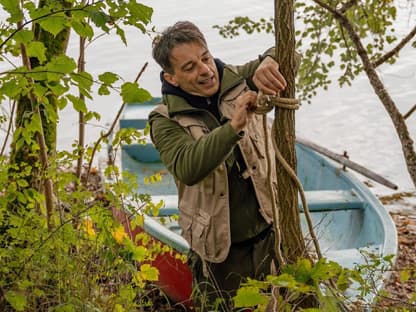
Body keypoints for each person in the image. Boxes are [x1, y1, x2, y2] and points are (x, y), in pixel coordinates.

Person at [149, 21, 287, 311]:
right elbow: (188, 166)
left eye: (206, 57)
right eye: (189, 67)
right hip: (219, 253)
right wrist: (234, 125)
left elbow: (289, 53)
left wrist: (270, 60)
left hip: (270, 237)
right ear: (171, 78)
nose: (206, 70)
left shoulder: (237, 78)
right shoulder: (164, 120)